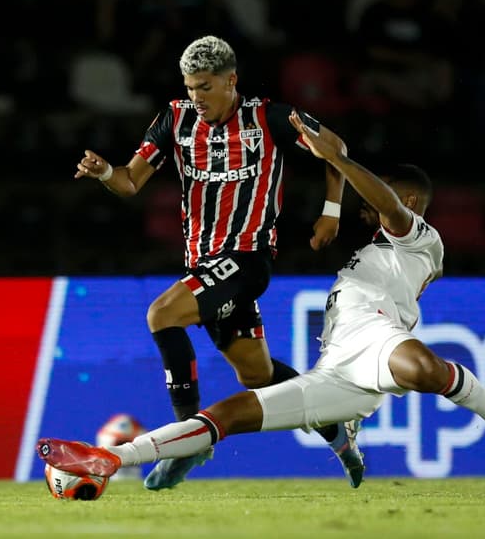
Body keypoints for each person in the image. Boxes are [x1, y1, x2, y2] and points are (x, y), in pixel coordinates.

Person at [38, 110, 485, 482]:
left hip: (379, 336)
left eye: (384, 197)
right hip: (338, 372)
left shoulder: (420, 240)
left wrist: (340, 164)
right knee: (230, 413)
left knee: (421, 368)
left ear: (410, 199)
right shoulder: (369, 251)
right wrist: (332, 209)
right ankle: (111, 457)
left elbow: (386, 204)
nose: (372, 209)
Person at [72, 35, 364, 489]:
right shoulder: (175, 119)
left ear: (232, 81)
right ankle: (335, 428)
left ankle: (187, 438)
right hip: (204, 265)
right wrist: (106, 172)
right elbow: (130, 182)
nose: (196, 98)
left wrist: (331, 213)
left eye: (205, 87)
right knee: (259, 375)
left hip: (247, 258)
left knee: (161, 314)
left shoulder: (268, 117)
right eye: (190, 87)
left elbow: (336, 148)